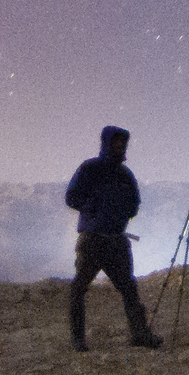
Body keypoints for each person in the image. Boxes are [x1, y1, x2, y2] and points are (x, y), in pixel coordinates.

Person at [63, 125, 161, 350]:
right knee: (80, 288)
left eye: (122, 143)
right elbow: (71, 197)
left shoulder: (125, 174)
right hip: (93, 239)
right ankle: (78, 340)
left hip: (116, 239)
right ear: (107, 143)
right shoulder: (90, 168)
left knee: (128, 288)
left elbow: (135, 203)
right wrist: (94, 207)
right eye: (116, 143)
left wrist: (125, 213)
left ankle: (140, 335)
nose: (120, 147)